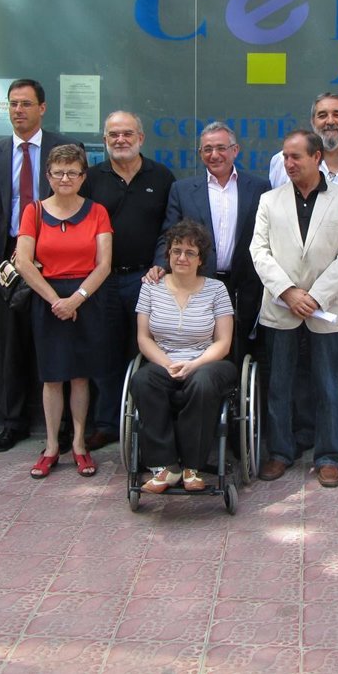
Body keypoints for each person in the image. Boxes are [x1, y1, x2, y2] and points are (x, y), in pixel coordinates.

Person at [269, 93, 338, 467]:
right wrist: (293, 292)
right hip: (291, 296)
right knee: (303, 370)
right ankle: (305, 434)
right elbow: (278, 229)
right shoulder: (280, 165)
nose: (329, 120)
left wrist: (319, 294)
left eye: (336, 114)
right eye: (322, 114)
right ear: (313, 121)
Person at [251, 129, 338, 488]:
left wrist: (314, 296)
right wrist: (287, 292)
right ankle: (280, 452)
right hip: (281, 306)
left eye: (296, 156)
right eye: (285, 156)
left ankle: (329, 456)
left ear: (317, 158)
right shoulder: (270, 200)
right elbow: (259, 251)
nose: (289, 163)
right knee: (279, 385)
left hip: (325, 308)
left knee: (328, 385)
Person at [0, 78, 80, 453]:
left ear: (42, 108)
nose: (18, 110)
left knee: (58, 342)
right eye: (13, 104)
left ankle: (65, 428)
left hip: (58, 255)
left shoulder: (64, 148)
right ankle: (14, 422)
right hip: (13, 257)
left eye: (25, 103)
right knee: (13, 343)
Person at [14, 144, 112, 479]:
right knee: (52, 376)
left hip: (86, 298)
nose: (65, 178)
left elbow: (104, 264)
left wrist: (76, 299)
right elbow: (23, 261)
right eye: (58, 172)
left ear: (83, 176)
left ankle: (80, 444)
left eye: (72, 172)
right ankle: (52, 446)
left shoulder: (97, 211)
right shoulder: (34, 211)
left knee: (80, 376)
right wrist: (56, 300)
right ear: (48, 176)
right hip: (48, 298)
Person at [82, 111, 175, 450]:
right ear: (105, 139)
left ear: (141, 138)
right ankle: (107, 424)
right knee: (103, 351)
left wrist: (160, 264)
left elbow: (170, 228)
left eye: (127, 134)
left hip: (146, 280)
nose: (120, 140)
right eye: (113, 135)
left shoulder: (161, 176)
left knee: (147, 353)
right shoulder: (91, 178)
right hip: (101, 280)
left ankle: (146, 422)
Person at [132, 221, 237, 493]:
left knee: (202, 383)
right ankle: (166, 467)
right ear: (167, 254)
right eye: (176, 250)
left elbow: (223, 342)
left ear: (200, 259)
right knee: (142, 380)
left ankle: (192, 467)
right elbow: (144, 338)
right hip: (163, 360)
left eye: (190, 252)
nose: (182, 257)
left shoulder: (217, 290)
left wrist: (194, 364)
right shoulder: (151, 287)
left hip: (208, 362)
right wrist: (167, 364)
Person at [147, 121, 268, 356]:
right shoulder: (182, 190)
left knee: (241, 346)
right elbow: (169, 234)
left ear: (235, 150)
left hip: (244, 284)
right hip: (199, 282)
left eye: (221, 148)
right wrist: (160, 265)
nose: (214, 155)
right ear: (200, 153)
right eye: (207, 149)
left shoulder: (259, 188)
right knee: (202, 344)